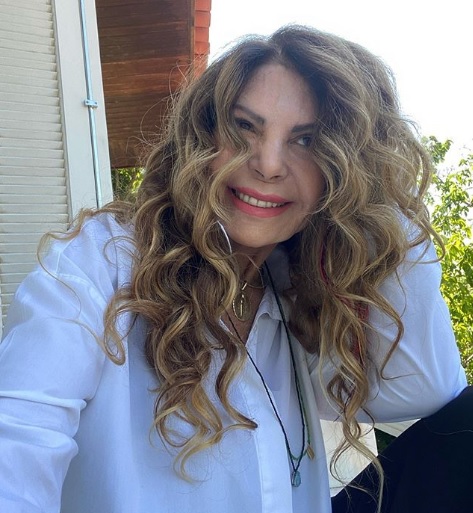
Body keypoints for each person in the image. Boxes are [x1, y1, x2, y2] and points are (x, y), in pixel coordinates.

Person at [0, 25, 470, 513]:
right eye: (245, 127)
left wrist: (378, 199)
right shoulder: (103, 261)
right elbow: (18, 441)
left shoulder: (295, 291)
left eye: (306, 140)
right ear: (202, 137)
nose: (268, 164)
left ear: (343, 170)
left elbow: (425, 389)